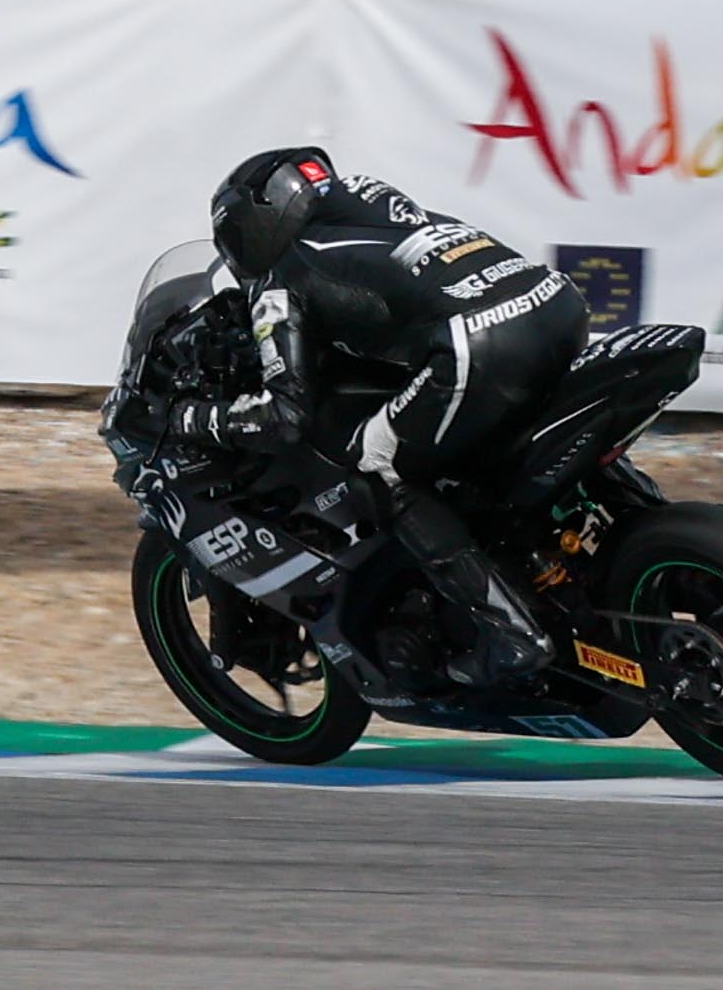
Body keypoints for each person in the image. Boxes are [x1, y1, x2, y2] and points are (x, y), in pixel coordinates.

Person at [199, 144, 579, 688]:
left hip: (482, 344)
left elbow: (286, 416)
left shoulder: (284, 278)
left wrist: (202, 419)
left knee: (376, 465)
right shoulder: (365, 200)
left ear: (260, 221)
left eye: (234, 237)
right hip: (556, 302)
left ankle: (512, 632)